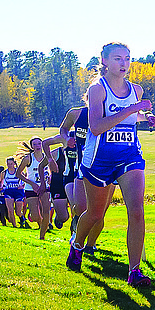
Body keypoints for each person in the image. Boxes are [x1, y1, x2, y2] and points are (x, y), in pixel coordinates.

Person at [66, 42, 155, 286]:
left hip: (129, 155)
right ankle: (77, 244)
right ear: (104, 61)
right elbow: (96, 127)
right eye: (118, 58)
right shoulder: (98, 89)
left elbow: (132, 116)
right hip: (99, 159)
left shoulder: (135, 89)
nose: (124, 63)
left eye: (127, 58)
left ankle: (135, 271)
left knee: (136, 211)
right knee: (96, 214)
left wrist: (145, 117)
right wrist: (133, 108)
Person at [48, 105, 105, 245]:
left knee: (95, 210)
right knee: (77, 206)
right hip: (72, 174)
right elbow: (51, 139)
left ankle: (89, 241)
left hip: (98, 170)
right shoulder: (75, 116)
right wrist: (51, 159)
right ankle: (75, 229)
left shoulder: (107, 114)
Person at [17, 137, 58, 240]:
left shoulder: (47, 157)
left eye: (39, 143)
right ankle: (41, 226)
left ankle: (42, 236)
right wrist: (32, 183)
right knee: (34, 216)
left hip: (45, 187)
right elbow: (18, 174)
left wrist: (50, 178)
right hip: (31, 188)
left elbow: (52, 170)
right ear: (32, 146)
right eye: (35, 144)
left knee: (46, 212)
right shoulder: (28, 159)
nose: (37, 146)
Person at [0, 157, 30, 228]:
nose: (9, 165)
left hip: (18, 191)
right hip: (8, 191)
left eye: (11, 164)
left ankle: (21, 217)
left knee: (18, 212)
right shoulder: (4, 173)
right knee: (10, 210)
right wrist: (1, 187)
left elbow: (26, 179)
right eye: (8, 164)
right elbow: (1, 182)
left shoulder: (19, 171)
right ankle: (14, 226)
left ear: (14, 164)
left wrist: (23, 186)